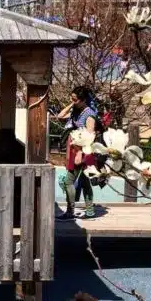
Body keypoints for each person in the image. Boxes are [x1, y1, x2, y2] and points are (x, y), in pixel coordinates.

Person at [59, 86, 97, 219]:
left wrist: (80, 153)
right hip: (75, 149)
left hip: (83, 151)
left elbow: (90, 136)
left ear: (83, 100)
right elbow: (60, 115)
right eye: (72, 98)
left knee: (69, 181)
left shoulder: (89, 114)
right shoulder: (77, 110)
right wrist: (72, 103)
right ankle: (90, 211)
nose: (72, 100)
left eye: (75, 99)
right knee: (84, 181)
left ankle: (70, 211)